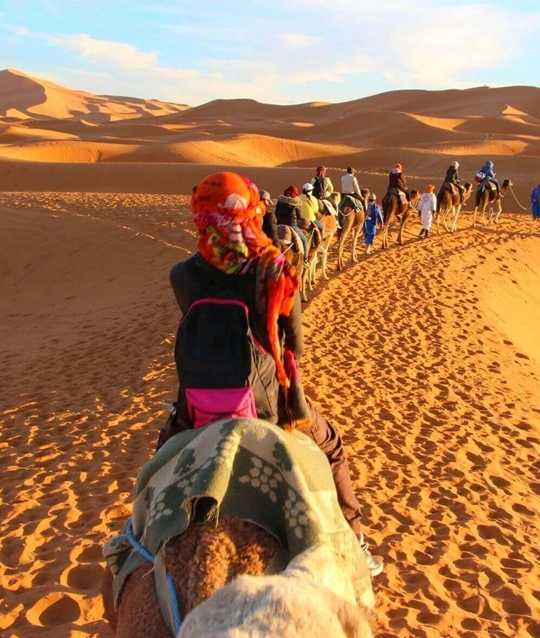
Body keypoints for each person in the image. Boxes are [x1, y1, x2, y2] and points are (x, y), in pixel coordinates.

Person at [158, 171, 382, 576]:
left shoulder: (181, 275)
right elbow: (294, 347)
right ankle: (355, 543)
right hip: (268, 405)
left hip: (196, 409)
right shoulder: (275, 268)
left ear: (200, 214)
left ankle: (136, 547)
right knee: (331, 447)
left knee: (158, 468)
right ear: (251, 210)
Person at [275, 185, 310, 261]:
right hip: (292, 225)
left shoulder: (280, 200)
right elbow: (299, 216)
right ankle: (306, 259)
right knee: (304, 240)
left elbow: (276, 213)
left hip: (279, 223)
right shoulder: (296, 202)